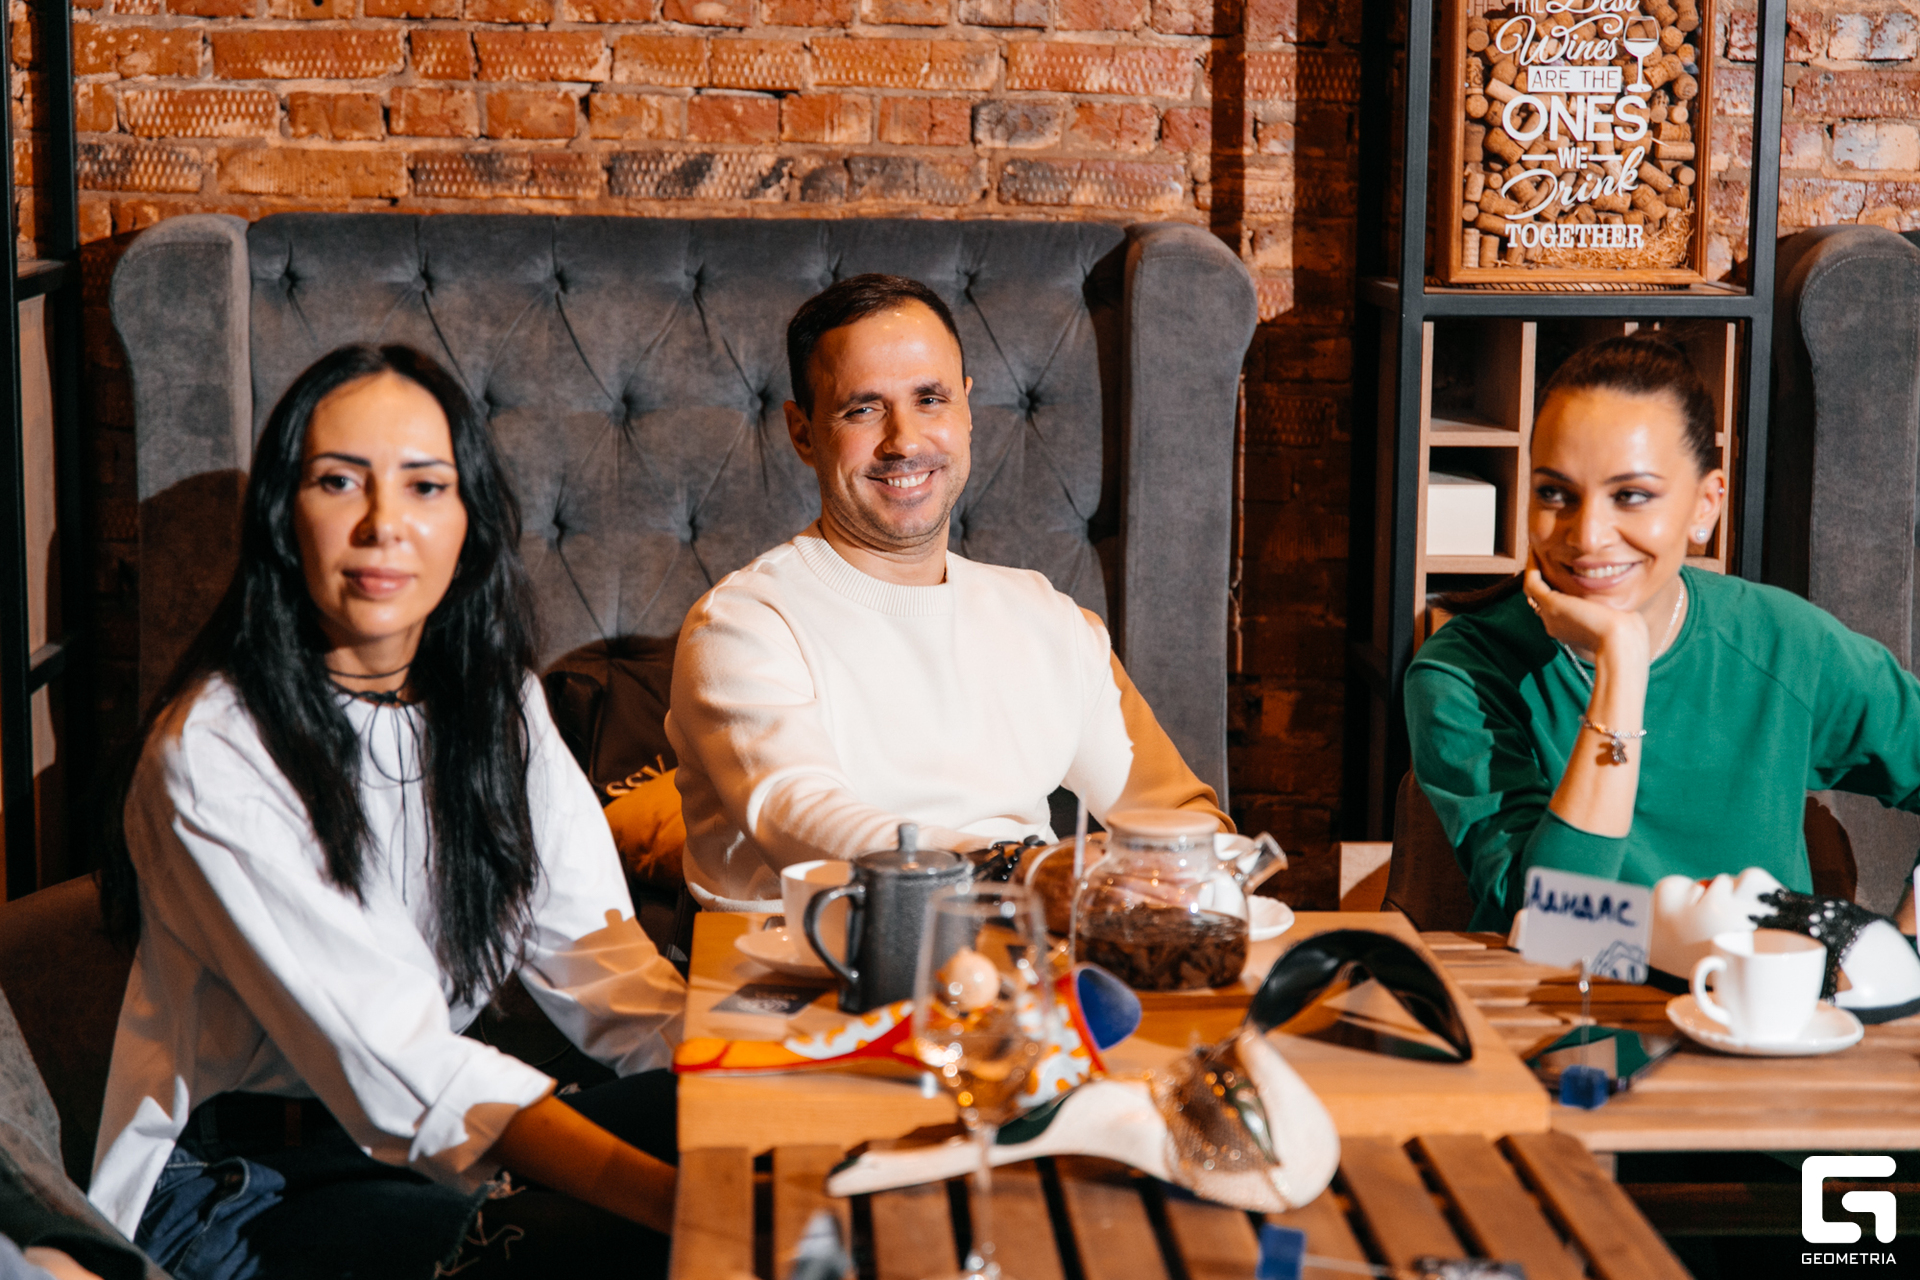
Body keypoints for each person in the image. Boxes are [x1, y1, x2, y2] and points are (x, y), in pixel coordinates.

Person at [90, 345, 687, 1279]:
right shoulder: (215, 751)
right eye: (339, 482)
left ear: (467, 521)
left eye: (424, 486)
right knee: (636, 1244)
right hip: (241, 1191)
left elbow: (610, 979)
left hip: (418, 1152)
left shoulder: (496, 706)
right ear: (284, 516)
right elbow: (403, 1065)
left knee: (753, 1131)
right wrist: (694, 1210)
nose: (383, 525)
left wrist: (771, 1089)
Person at [665, 274, 1229, 906]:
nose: (905, 441)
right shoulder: (742, 624)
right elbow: (804, 820)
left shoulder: (1048, 620)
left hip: (1029, 952)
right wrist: (1021, 871)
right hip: (805, 957)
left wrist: (1197, 883)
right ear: (803, 433)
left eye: (930, 399)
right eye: (863, 409)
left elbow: (1181, 819)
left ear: (966, 409)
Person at [1407, 333, 1920, 933]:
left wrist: (1901, 953)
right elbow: (1553, 923)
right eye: (1555, 493)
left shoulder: (1783, 643)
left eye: (1631, 495)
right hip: (1564, 994)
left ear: (1706, 506)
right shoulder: (1461, 674)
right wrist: (1621, 667)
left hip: (1759, 992)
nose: (1587, 535)